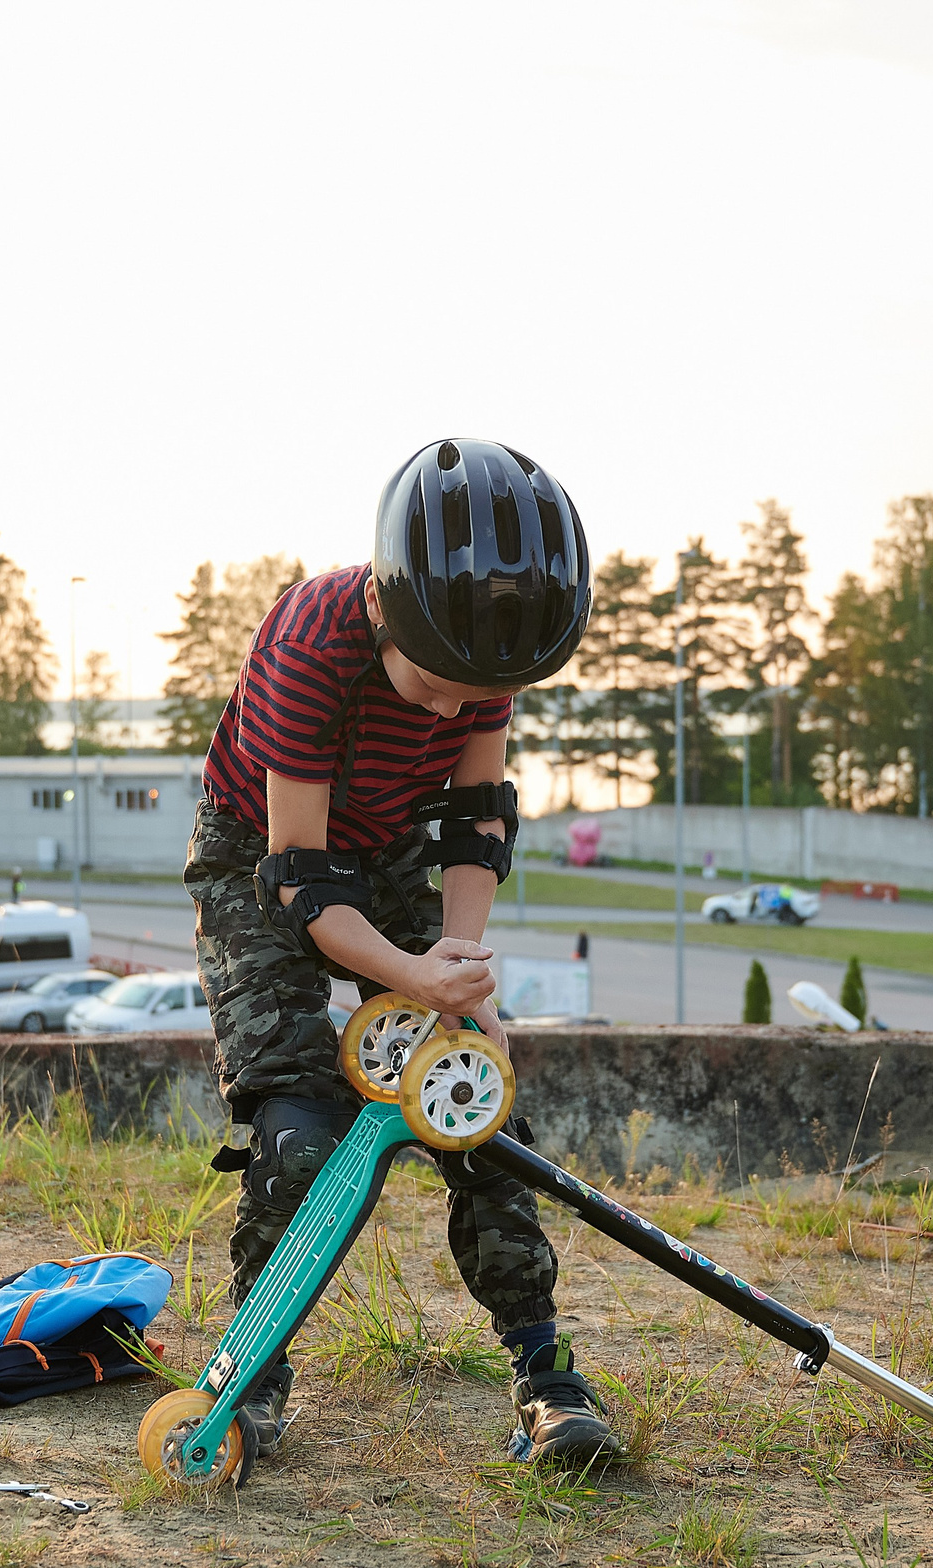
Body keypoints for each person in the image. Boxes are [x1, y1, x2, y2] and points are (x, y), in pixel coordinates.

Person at [187, 438, 618, 1469]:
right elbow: (299, 879)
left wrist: (457, 971)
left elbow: (473, 818)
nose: (447, 708)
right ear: (385, 610)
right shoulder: (308, 640)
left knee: (472, 1094)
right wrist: (410, 973)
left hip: (386, 846)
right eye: (432, 683)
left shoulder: (482, 652)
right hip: (265, 852)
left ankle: (547, 1374)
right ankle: (250, 1377)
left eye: (473, 694)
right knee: (299, 1122)